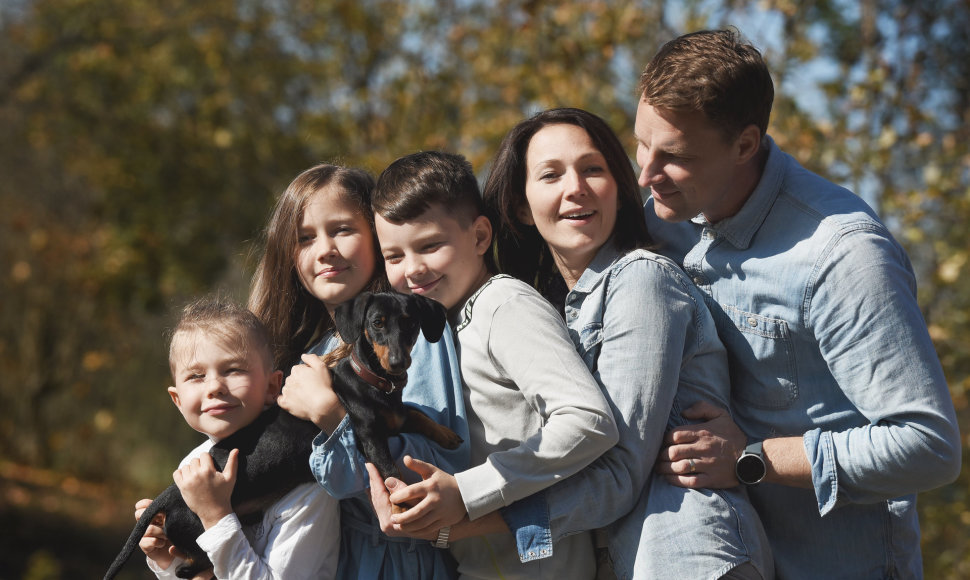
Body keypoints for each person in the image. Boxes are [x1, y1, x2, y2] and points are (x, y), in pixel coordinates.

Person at [637, 30, 961, 578]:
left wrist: (752, 459)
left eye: (676, 156)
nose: (646, 174)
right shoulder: (663, 213)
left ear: (744, 145)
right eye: (642, 143)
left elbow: (929, 446)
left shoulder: (844, 256)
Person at [475, 106, 770, 579]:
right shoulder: (547, 313)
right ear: (519, 207)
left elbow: (618, 475)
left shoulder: (642, 280)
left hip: (689, 554)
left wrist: (463, 515)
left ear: (619, 187)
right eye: (550, 175)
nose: (576, 187)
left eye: (593, 169)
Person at [366, 150, 620, 579]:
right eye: (394, 256)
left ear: (480, 237)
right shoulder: (439, 328)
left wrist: (467, 491)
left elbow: (589, 420)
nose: (412, 269)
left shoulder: (504, 306)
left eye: (430, 245)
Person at [248, 163, 470, 579]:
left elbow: (446, 464)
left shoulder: (408, 340)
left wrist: (331, 415)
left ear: (378, 235)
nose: (326, 249)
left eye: (343, 230)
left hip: (399, 562)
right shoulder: (311, 356)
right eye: (305, 238)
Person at [135, 296, 340, 579]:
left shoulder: (306, 479)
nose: (215, 387)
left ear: (272, 386)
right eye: (196, 376)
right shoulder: (195, 466)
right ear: (177, 399)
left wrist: (215, 515)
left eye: (233, 370)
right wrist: (169, 560)